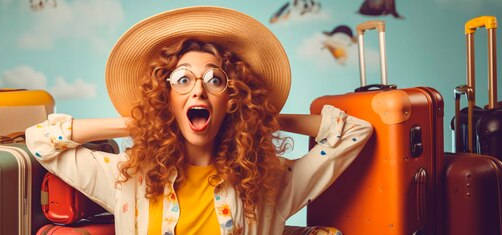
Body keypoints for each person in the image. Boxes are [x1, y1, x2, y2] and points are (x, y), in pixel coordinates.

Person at [25, 6, 372, 235]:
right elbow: (41, 140)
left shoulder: (269, 183)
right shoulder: (126, 178)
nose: (198, 91)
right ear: (167, 98)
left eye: (215, 80)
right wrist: (140, 122)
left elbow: (356, 131)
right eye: (182, 79)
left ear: (233, 98)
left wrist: (260, 116)